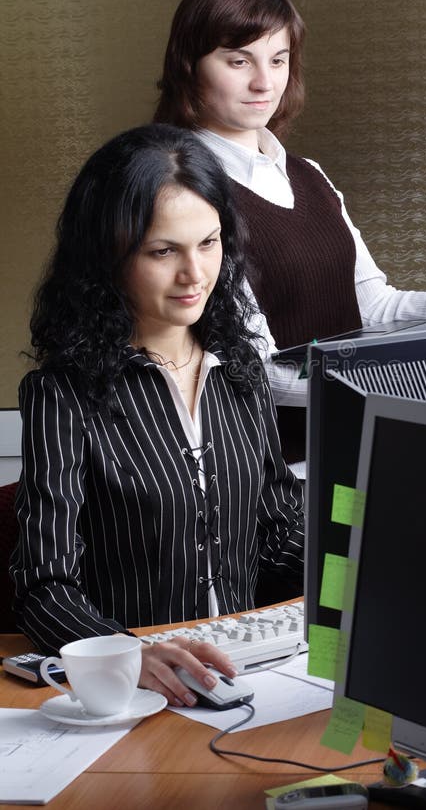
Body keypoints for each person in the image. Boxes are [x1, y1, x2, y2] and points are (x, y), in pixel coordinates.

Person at [9, 123, 304, 708]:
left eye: (210, 243)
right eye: (163, 251)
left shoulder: (239, 367)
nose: (195, 274)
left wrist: (360, 570)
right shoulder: (63, 393)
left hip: (261, 673)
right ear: (108, 258)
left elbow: (276, 535)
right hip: (137, 690)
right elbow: (43, 586)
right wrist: (125, 654)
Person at [151, 0, 426, 474]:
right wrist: (396, 385)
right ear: (189, 66)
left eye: (278, 59)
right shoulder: (184, 191)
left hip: (353, 439)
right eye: (238, 60)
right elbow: (256, 370)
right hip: (272, 469)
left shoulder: (308, 175)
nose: (264, 81)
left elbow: (371, 305)